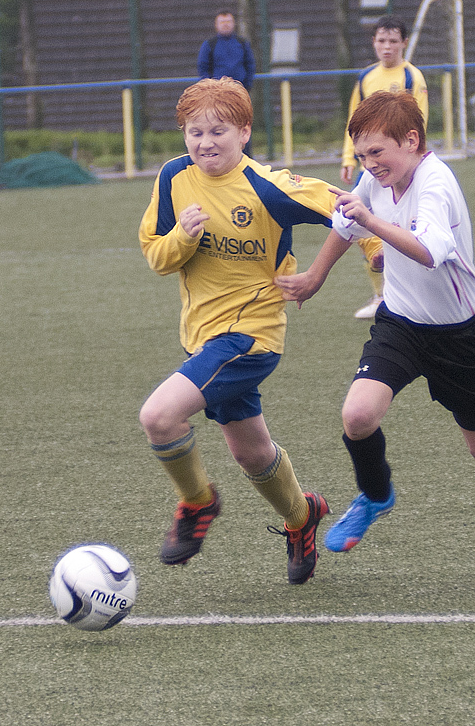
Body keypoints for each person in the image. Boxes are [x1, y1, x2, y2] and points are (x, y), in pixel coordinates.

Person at [276, 91, 475, 587]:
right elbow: (345, 221)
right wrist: (315, 277)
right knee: (357, 415)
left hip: (458, 337)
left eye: (377, 152)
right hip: (401, 323)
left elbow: (426, 251)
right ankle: (377, 494)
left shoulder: (435, 185)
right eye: (362, 155)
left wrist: (373, 225)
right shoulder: (378, 175)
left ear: (412, 140)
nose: (370, 164)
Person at [138, 76, 332, 585]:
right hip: (202, 336)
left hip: (251, 338)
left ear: (244, 132)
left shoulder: (269, 188)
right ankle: (301, 516)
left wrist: (320, 273)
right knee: (251, 452)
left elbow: (350, 208)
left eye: (218, 131)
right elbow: (156, 255)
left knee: (159, 417)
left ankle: (198, 503)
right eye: (194, 132)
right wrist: (183, 236)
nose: (205, 143)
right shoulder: (174, 179)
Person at [342, 15, 429, 320]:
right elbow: (354, 123)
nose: (387, 47)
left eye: (393, 41)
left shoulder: (412, 78)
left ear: (404, 43)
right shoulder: (365, 77)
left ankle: (409, 293)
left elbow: (420, 122)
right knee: (360, 222)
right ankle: (381, 296)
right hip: (372, 165)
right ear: (374, 43)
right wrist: (348, 158)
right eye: (381, 40)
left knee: (404, 226)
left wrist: (412, 157)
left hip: (401, 165)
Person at [197, 11, 257, 156]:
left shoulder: (242, 44)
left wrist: (245, 86)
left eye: (228, 22)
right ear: (216, 25)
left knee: (242, 124)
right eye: (222, 22)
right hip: (217, 96)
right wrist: (211, 89)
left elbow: (250, 65)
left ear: (233, 23)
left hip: (240, 93)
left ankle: (246, 156)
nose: (226, 25)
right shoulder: (210, 45)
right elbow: (203, 68)